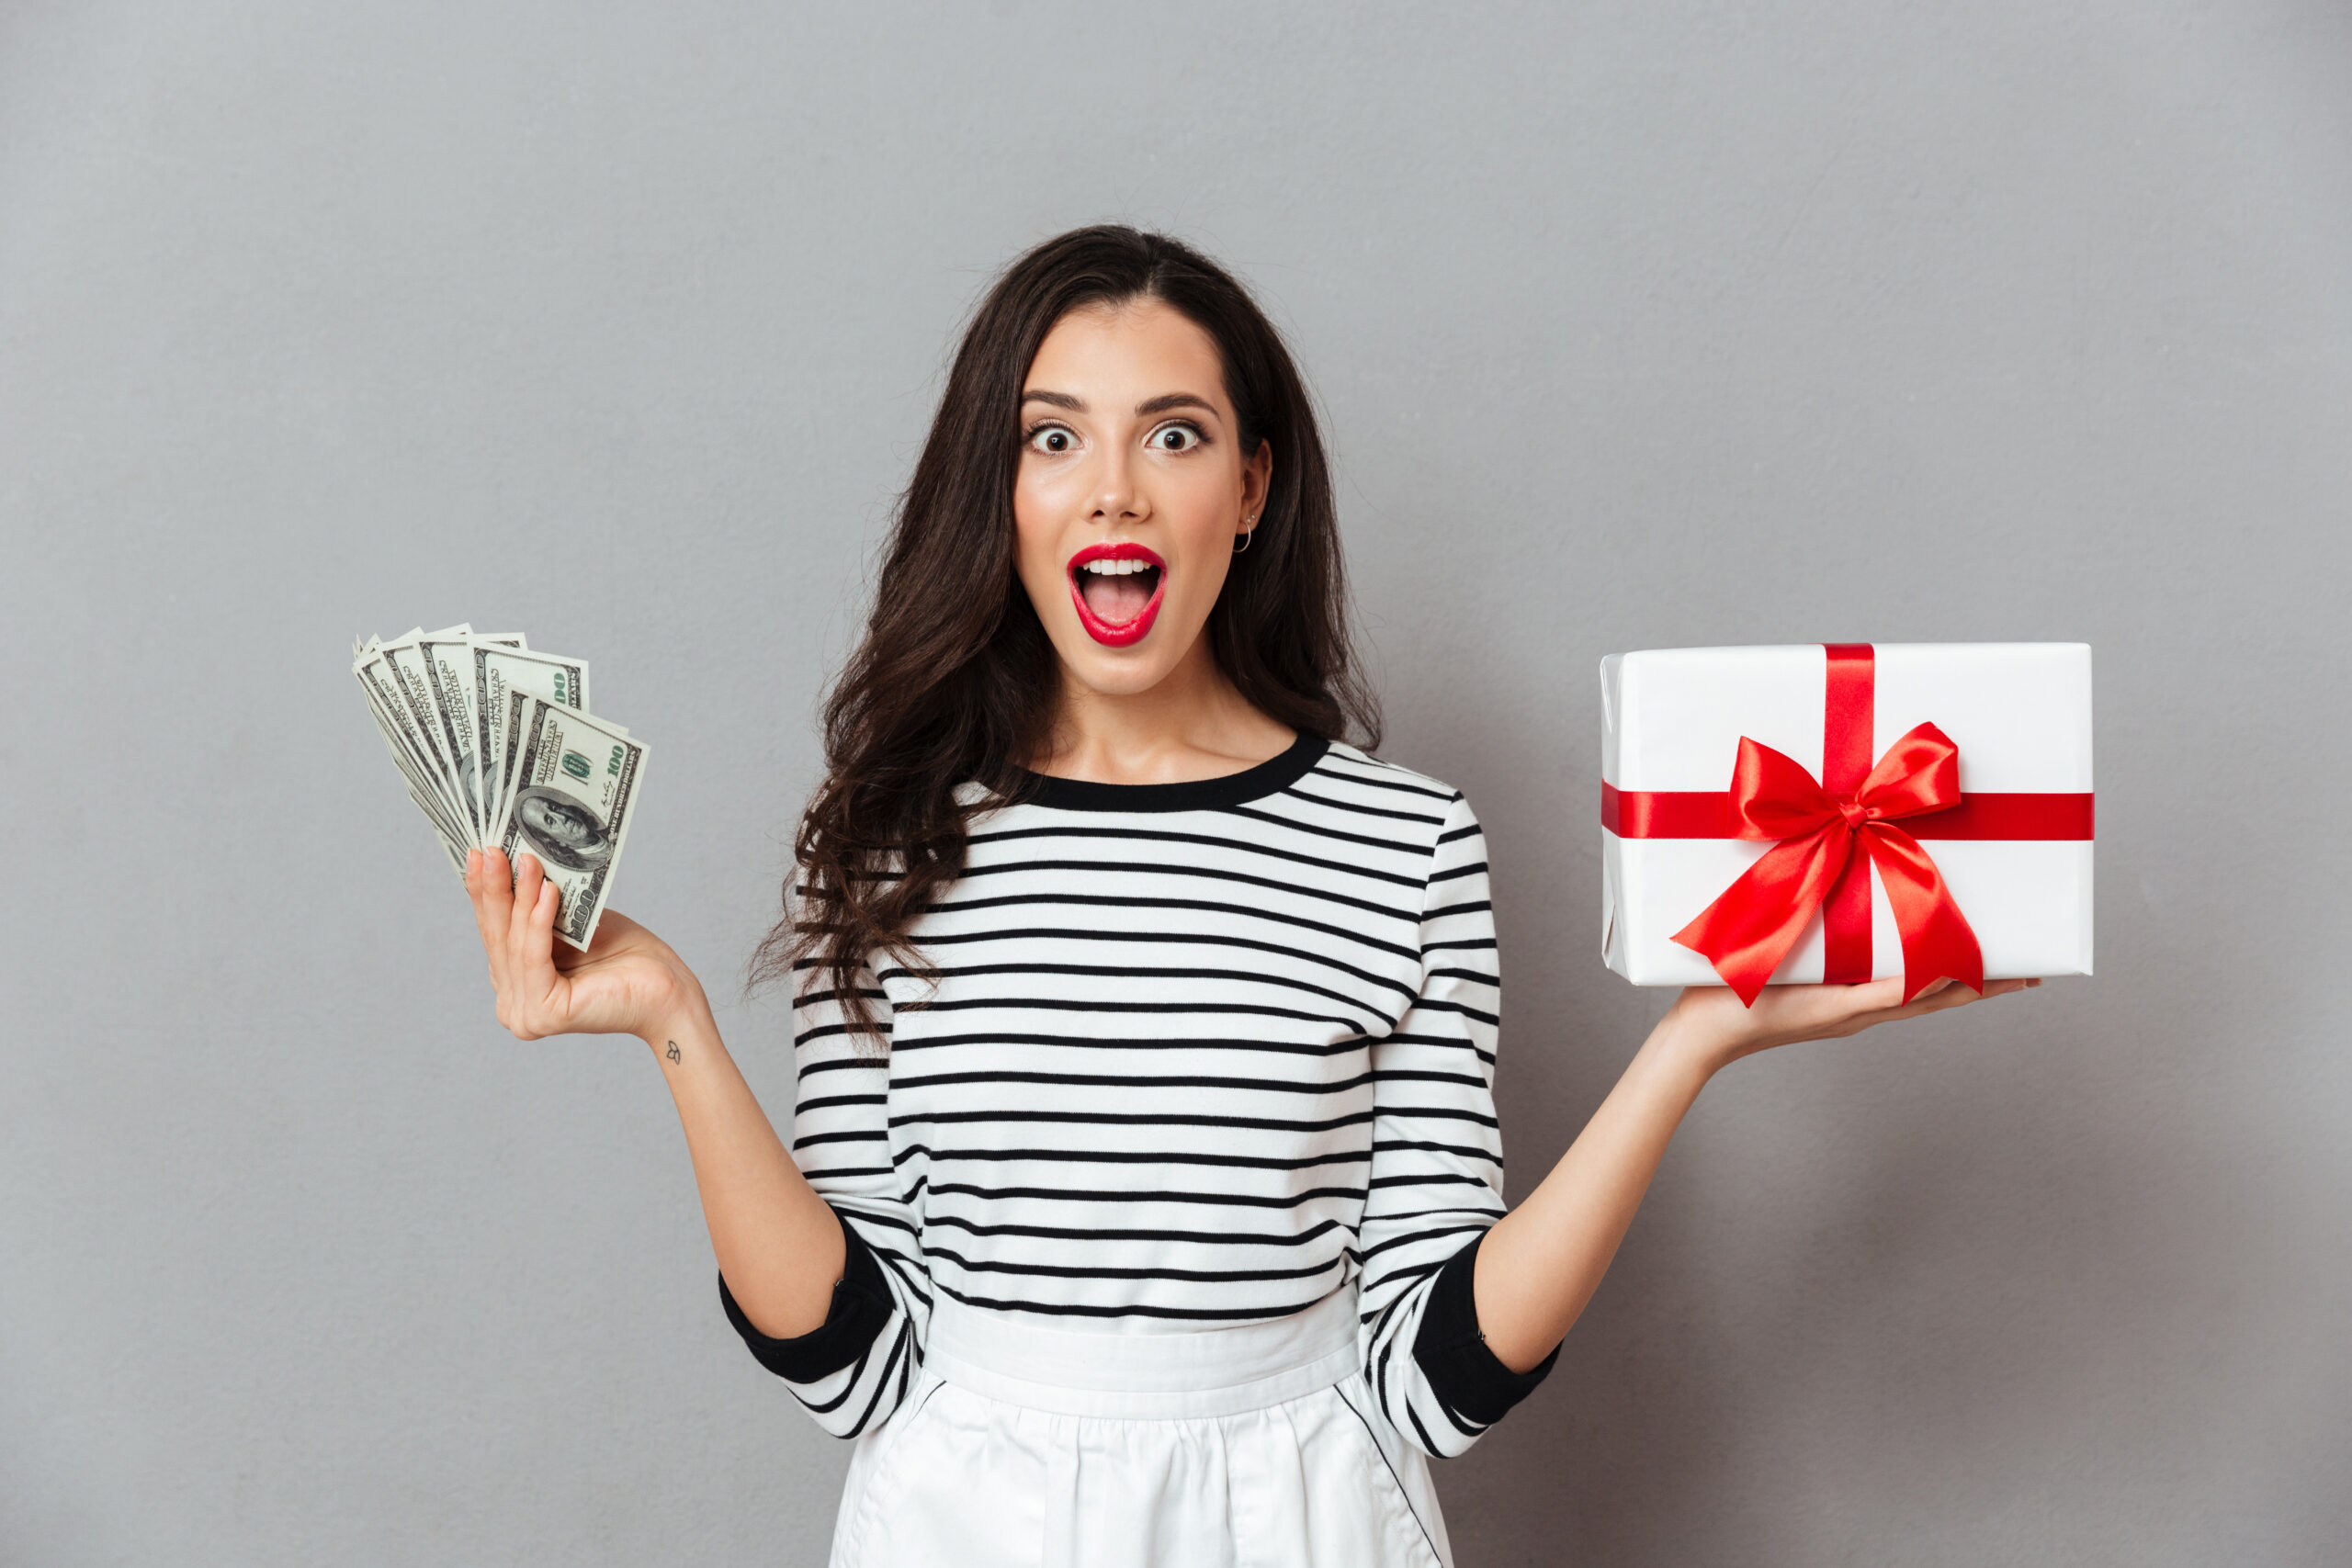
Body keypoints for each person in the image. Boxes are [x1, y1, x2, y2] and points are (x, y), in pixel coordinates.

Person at [461, 225, 2037, 1567]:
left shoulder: (1407, 847)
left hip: (1298, 1509)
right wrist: (671, 1018)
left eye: (1176, 433)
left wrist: (1689, 1048)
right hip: (969, 1517)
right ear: (999, 493)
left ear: (1252, 486)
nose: (1115, 492)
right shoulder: (883, 841)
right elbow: (853, 1361)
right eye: (1054, 436)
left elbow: (1435, 1382)